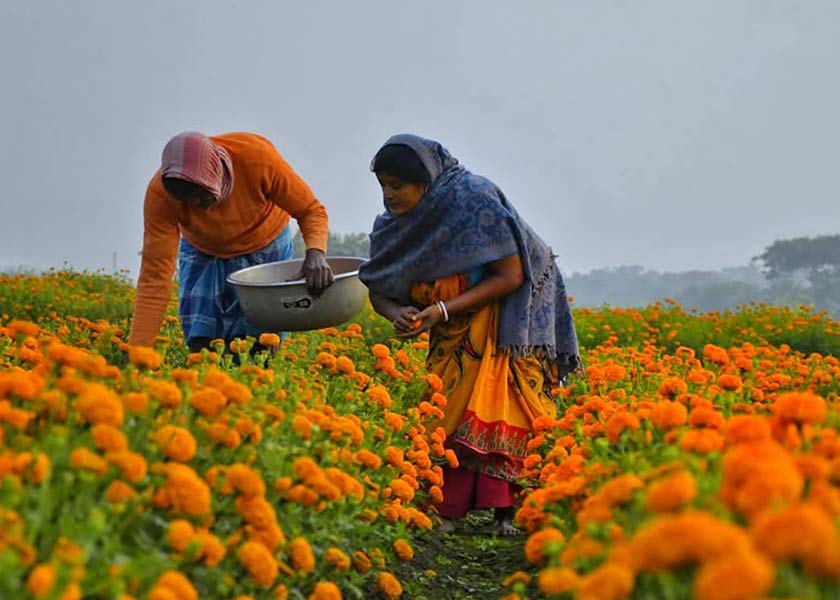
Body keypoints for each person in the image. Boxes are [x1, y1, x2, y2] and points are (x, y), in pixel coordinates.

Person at [359, 134, 580, 535]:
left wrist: (444, 309)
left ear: (425, 181)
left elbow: (510, 275)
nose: (388, 195)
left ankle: (507, 512)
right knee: (446, 408)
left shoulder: (473, 200)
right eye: (383, 185)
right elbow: (379, 287)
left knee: (503, 403)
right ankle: (446, 507)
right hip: (448, 325)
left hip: (506, 313)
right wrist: (398, 313)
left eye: (398, 185)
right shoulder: (394, 227)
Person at [128, 131, 334, 352]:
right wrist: (139, 352)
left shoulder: (258, 159)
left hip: (265, 241)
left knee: (263, 340)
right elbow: (154, 279)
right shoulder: (161, 195)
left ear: (215, 174)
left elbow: (310, 210)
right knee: (201, 341)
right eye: (185, 200)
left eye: (200, 194)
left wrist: (316, 252)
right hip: (202, 249)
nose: (196, 205)